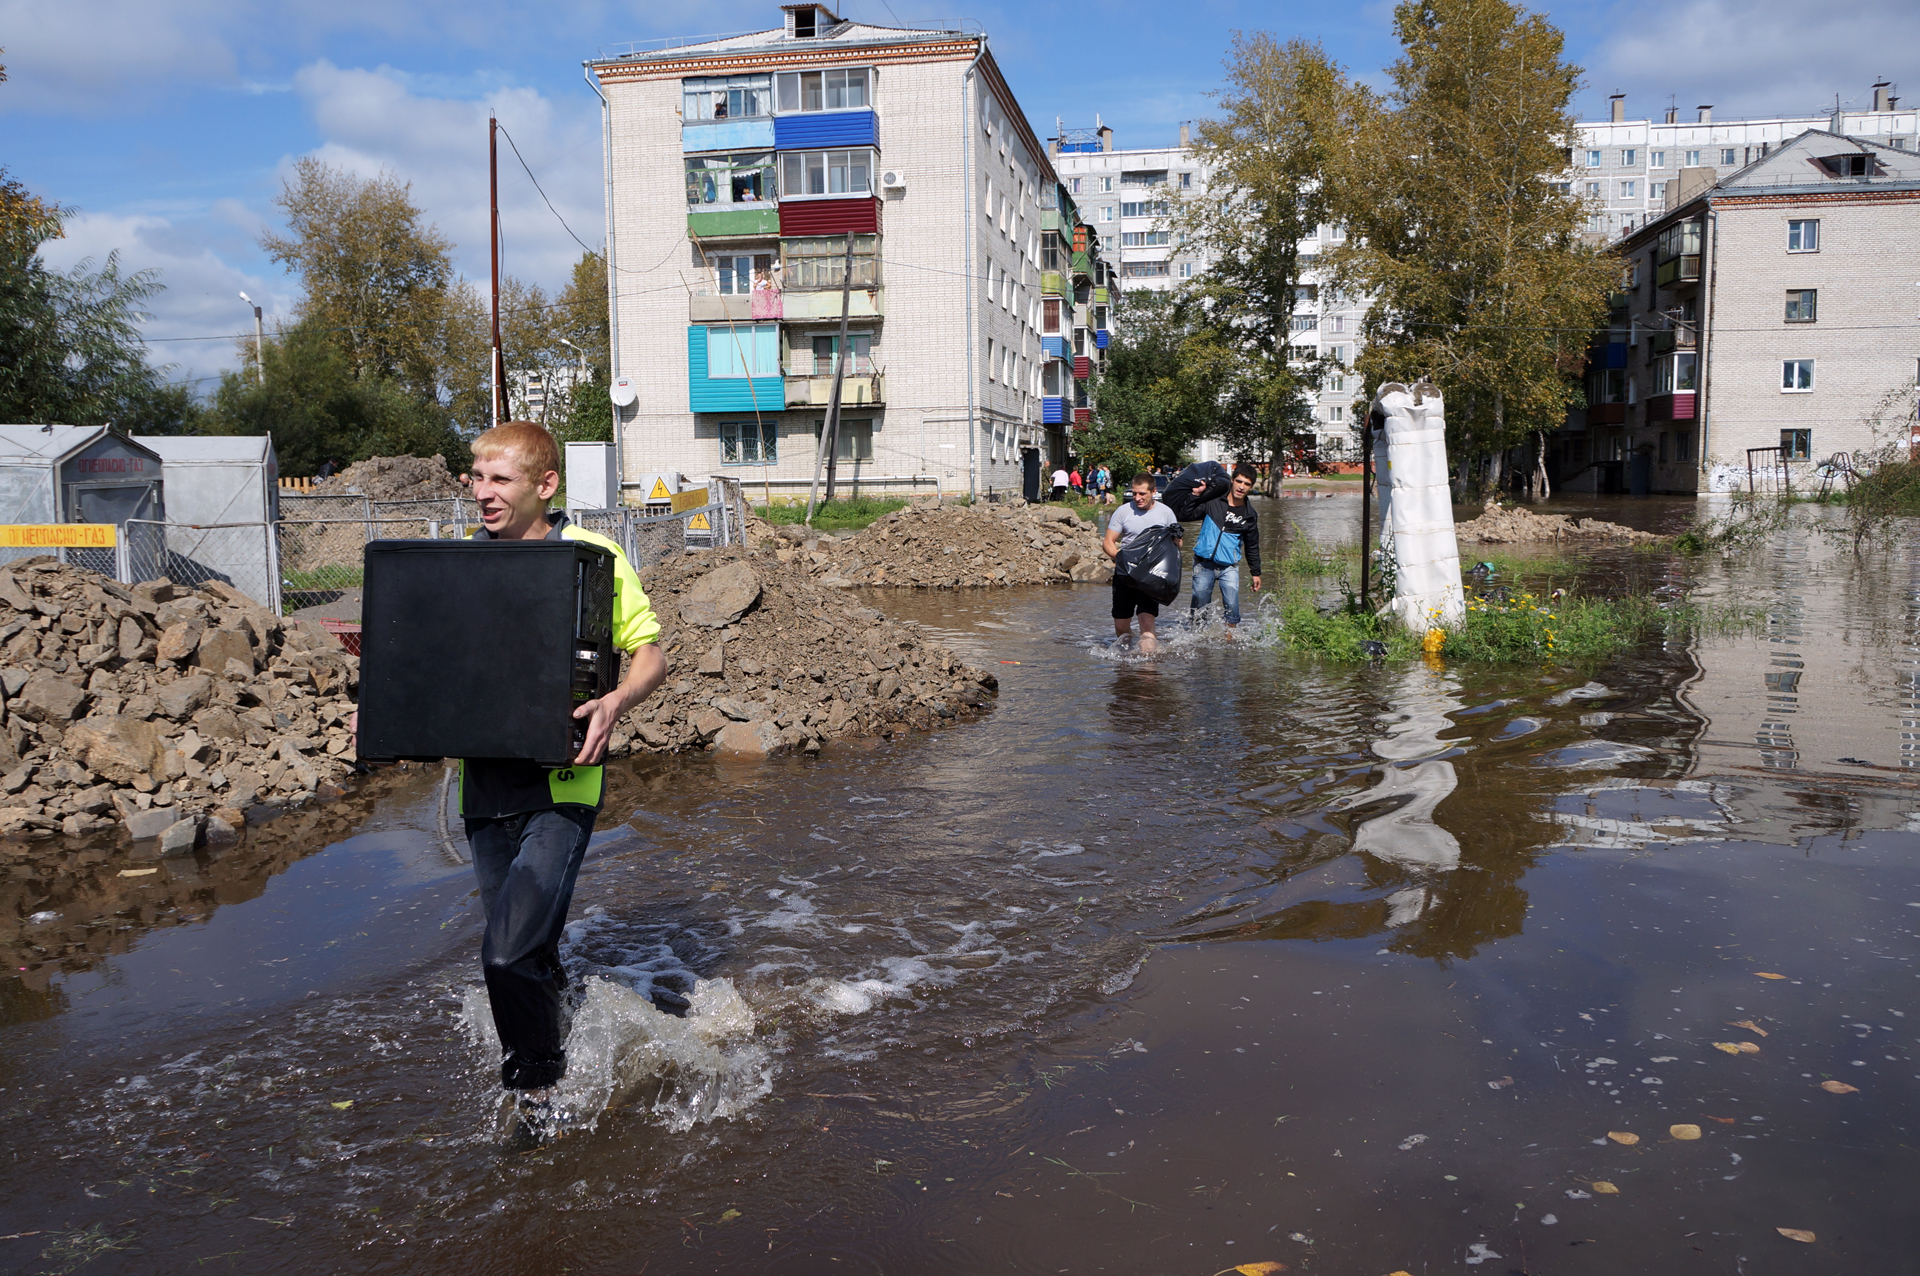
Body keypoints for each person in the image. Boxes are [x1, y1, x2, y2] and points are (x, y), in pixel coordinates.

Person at [459, 422, 667, 1101]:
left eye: (500, 480)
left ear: (544, 486)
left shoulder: (588, 556)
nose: (482, 492)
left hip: (563, 780)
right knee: (527, 950)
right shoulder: (464, 562)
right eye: (476, 476)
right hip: (484, 787)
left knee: (505, 953)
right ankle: (565, 1040)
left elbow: (651, 656)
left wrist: (615, 703)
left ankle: (536, 1094)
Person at [1176, 461, 1263, 635]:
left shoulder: (1249, 514)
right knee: (1200, 604)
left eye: (1247, 484)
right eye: (1239, 481)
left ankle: (1229, 641)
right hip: (1203, 564)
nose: (1241, 487)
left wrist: (1256, 572)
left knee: (1232, 606)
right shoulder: (1213, 502)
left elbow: (1252, 545)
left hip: (1228, 567)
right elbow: (1184, 514)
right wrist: (1195, 495)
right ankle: (1198, 638)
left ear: (1251, 487)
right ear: (1232, 480)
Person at [1102, 472, 1179, 654]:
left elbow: (1176, 547)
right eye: (1134, 493)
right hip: (1125, 575)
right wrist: (1121, 559)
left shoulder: (1166, 513)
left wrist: (1178, 536)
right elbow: (1108, 542)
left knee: (1146, 621)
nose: (1137, 498)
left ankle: (1148, 669)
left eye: (1142, 494)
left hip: (1151, 577)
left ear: (1153, 491)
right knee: (1121, 627)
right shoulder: (1123, 511)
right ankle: (1130, 655)